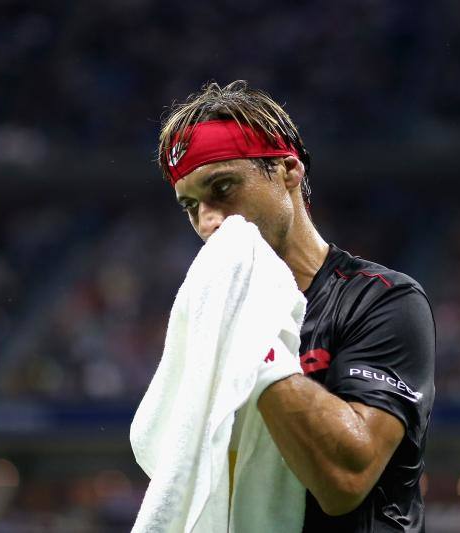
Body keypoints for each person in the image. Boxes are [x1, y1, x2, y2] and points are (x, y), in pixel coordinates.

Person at [157, 81, 435, 532]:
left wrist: (254, 343)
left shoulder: (383, 300)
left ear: (288, 171)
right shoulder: (209, 318)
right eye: (191, 206)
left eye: (223, 187)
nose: (207, 221)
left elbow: (346, 478)